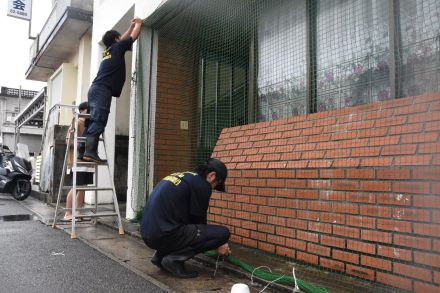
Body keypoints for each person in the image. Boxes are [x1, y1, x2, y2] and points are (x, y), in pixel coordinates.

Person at [140, 158, 231, 278]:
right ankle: (173, 260)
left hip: (147, 234)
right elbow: (199, 226)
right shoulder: (202, 186)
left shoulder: (183, 177)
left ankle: (160, 256)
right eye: (216, 185)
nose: (213, 189)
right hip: (162, 235)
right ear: (211, 176)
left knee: (184, 230)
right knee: (223, 233)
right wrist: (219, 243)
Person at [83, 17, 142, 163]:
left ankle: (83, 151)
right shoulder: (116, 47)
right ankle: (90, 152)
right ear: (116, 39)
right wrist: (138, 25)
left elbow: (121, 39)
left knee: (92, 121)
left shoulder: (108, 50)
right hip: (102, 90)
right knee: (99, 119)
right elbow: (132, 37)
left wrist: (129, 26)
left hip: (95, 89)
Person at [63, 102, 94, 221]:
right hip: (77, 159)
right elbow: (67, 141)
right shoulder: (76, 122)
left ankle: (78, 211)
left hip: (87, 158)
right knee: (75, 186)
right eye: (88, 110)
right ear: (83, 110)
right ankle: (67, 213)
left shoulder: (88, 124)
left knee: (83, 186)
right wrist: (80, 145)